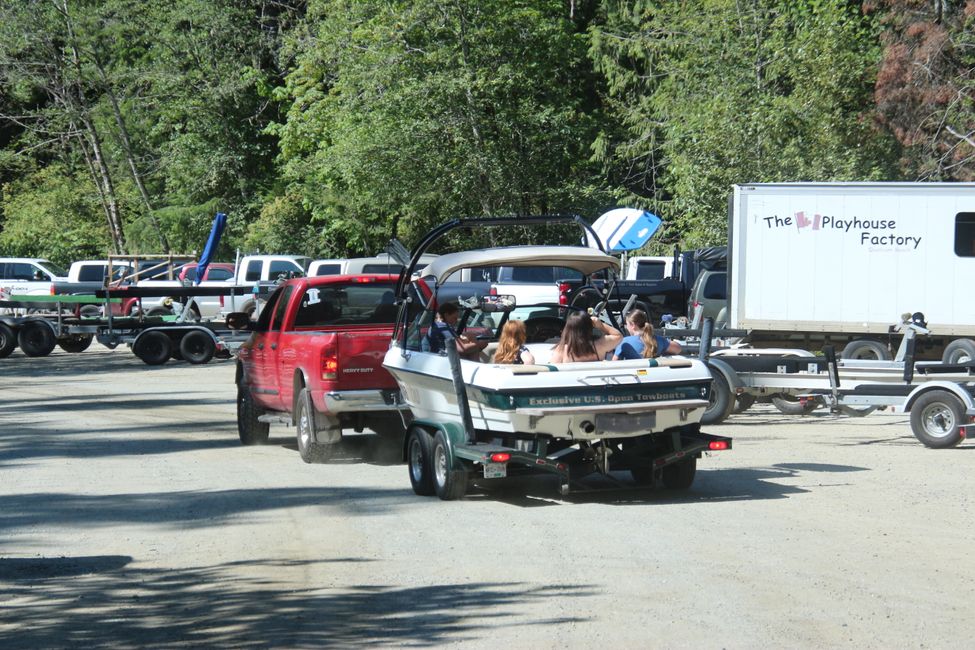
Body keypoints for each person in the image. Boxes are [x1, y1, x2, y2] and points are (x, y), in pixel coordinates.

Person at [422, 301, 486, 360]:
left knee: (470, 339)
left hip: (432, 357)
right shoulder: (443, 327)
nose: (455, 321)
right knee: (472, 347)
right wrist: (479, 344)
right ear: (446, 315)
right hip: (435, 359)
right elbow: (461, 349)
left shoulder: (437, 325)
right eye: (454, 318)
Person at [549, 312, 623, 363]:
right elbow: (618, 336)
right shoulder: (600, 344)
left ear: (568, 329)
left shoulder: (563, 349)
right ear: (589, 327)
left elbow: (553, 370)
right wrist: (601, 325)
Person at [612, 309, 682, 360]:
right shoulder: (658, 340)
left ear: (632, 325)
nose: (626, 327)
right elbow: (678, 349)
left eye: (626, 324)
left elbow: (614, 364)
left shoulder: (624, 342)